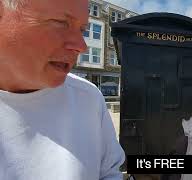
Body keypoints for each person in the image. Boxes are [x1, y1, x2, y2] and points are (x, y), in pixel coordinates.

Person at [0, 0, 125, 179]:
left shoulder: (88, 98)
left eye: (82, 30)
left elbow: (110, 173)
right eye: (60, 22)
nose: (81, 47)